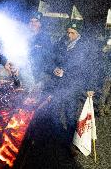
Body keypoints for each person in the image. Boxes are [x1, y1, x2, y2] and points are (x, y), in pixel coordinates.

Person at [52, 20, 100, 154]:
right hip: (59, 83)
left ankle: (72, 142)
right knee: (55, 110)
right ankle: (56, 138)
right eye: (68, 32)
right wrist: (54, 68)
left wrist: (91, 87)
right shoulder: (62, 42)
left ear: (78, 33)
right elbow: (53, 58)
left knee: (70, 113)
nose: (69, 35)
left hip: (74, 84)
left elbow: (92, 67)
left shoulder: (85, 46)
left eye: (72, 33)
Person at [27, 11, 55, 94]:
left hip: (39, 74)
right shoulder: (24, 36)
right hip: (25, 71)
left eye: (36, 21)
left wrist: (43, 75)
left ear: (40, 24)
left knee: (34, 97)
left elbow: (50, 56)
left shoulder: (45, 38)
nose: (33, 24)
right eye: (31, 21)